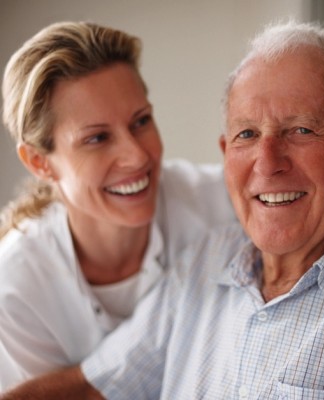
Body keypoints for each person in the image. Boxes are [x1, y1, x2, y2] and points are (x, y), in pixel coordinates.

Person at [3, 19, 324, 399]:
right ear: (226, 155)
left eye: (301, 130)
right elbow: (94, 387)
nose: (267, 162)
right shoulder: (204, 260)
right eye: (247, 134)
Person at [0, 21, 236, 391]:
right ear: (39, 162)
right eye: (97, 138)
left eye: (141, 121)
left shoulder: (225, 203)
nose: (137, 155)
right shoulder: (16, 289)